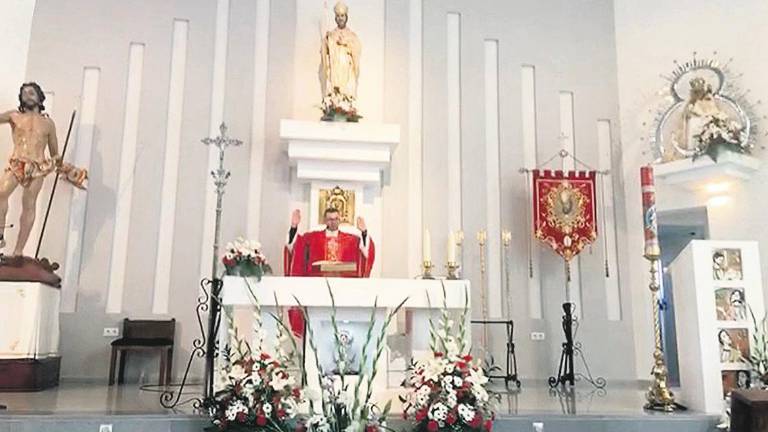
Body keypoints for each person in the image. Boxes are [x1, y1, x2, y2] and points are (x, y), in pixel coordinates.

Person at [284, 208, 374, 277]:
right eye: (330, 219)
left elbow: (365, 250)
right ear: (325, 220)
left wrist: (364, 232)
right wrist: (294, 226)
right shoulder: (312, 238)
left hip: (342, 283)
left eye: (336, 219)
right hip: (317, 282)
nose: (333, 222)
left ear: (339, 220)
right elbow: (295, 245)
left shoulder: (351, 240)